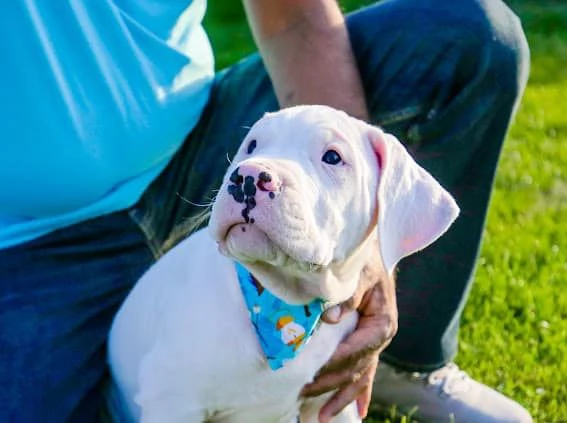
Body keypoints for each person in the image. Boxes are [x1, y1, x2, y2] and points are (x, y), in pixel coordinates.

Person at [0, 0, 531, 422]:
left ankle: (390, 359)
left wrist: (362, 231)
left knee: (469, 36)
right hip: (32, 240)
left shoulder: (262, 163)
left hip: (196, 150)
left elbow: (295, 16)